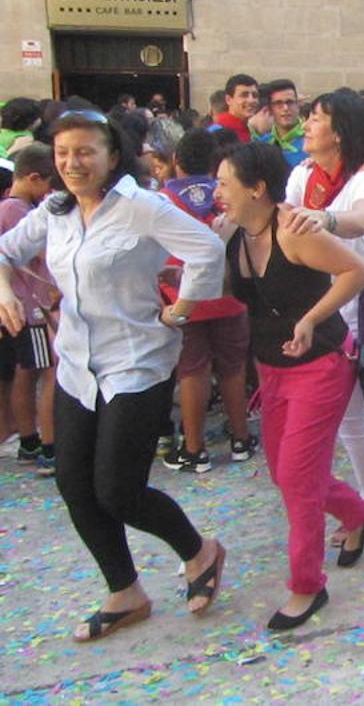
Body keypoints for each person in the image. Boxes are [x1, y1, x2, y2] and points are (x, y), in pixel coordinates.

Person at [0, 108, 228, 642]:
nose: (73, 163)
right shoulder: (54, 212)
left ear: (111, 155)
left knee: (119, 489)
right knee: (73, 483)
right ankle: (124, 590)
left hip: (137, 362)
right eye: (63, 154)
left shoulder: (142, 207)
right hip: (78, 363)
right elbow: (4, 251)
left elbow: (207, 248)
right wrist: (6, 290)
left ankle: (199, 553)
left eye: (85, 152)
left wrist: (183, 308)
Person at [217, 142, 364, 630]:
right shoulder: (234, 232)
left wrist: (310, 319)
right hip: (273, 369)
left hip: (320, 365)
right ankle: (358, 513)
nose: (217, 192)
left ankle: (308, 587)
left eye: (225, 183)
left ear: (257, 189)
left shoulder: (293, 231)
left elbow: (358, 271)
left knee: (300, 482)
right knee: (284, 476)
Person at [282, 89, 364, 529]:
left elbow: (363, 218)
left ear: (340, 133)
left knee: (352, 409)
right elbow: (287, 226)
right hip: (326, 299)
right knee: (347, 411)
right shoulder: (303, 175)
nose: (307, 126)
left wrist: (326, 219)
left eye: (316, 119)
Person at [159, 129, 256, 473]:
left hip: (185, 298)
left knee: (192, 371)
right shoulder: (226, 194)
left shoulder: (163, 201)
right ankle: (241, 438)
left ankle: (195, 448)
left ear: (175, 161)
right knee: (233, 368)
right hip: (230, 295)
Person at [0, 144, 57, 477]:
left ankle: (29, 439)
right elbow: (41, 254)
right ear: (34, 178)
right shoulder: (19, 211)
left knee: (28, 371)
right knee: (46, 372)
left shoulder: (7, 207)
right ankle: (48, 446)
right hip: (33, 306)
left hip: (18, 305)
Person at [257, 79, 306, 169]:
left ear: (298, 105)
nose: (285, 108)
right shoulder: (262, 144)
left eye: (290, 102)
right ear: (270, 109)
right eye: (278, 103)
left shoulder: (313, 141)